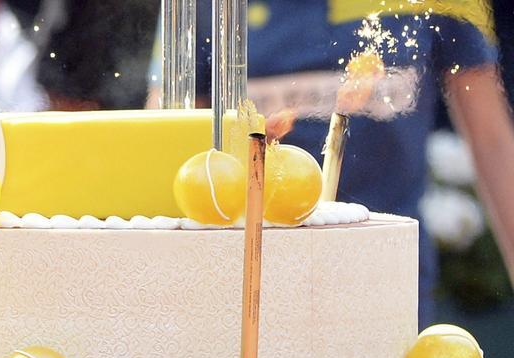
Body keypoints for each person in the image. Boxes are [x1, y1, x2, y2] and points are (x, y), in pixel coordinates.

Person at [177, 0, 514, 324]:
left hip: (388, 291)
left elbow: (493, 144)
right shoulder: (201, 8)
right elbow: (175, 143)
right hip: (250, 297)